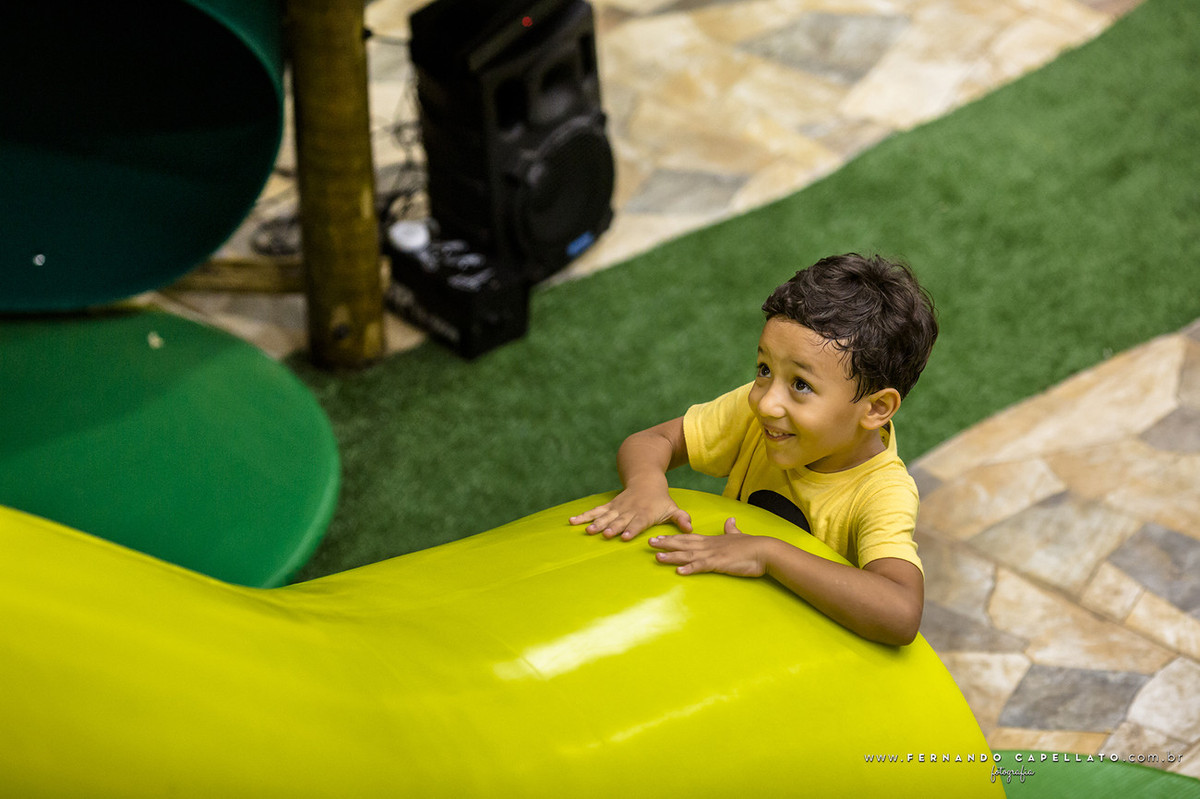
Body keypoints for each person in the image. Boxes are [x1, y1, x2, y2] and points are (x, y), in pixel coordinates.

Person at [568, 253, 938, 646]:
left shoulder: (882, 491)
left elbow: (900, 613)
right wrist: (645, 486)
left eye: (801, 385)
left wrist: (767, 554)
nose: (765, 403)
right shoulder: (759, 414)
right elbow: (652, 441)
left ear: (876, 409)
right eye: (764, 370)